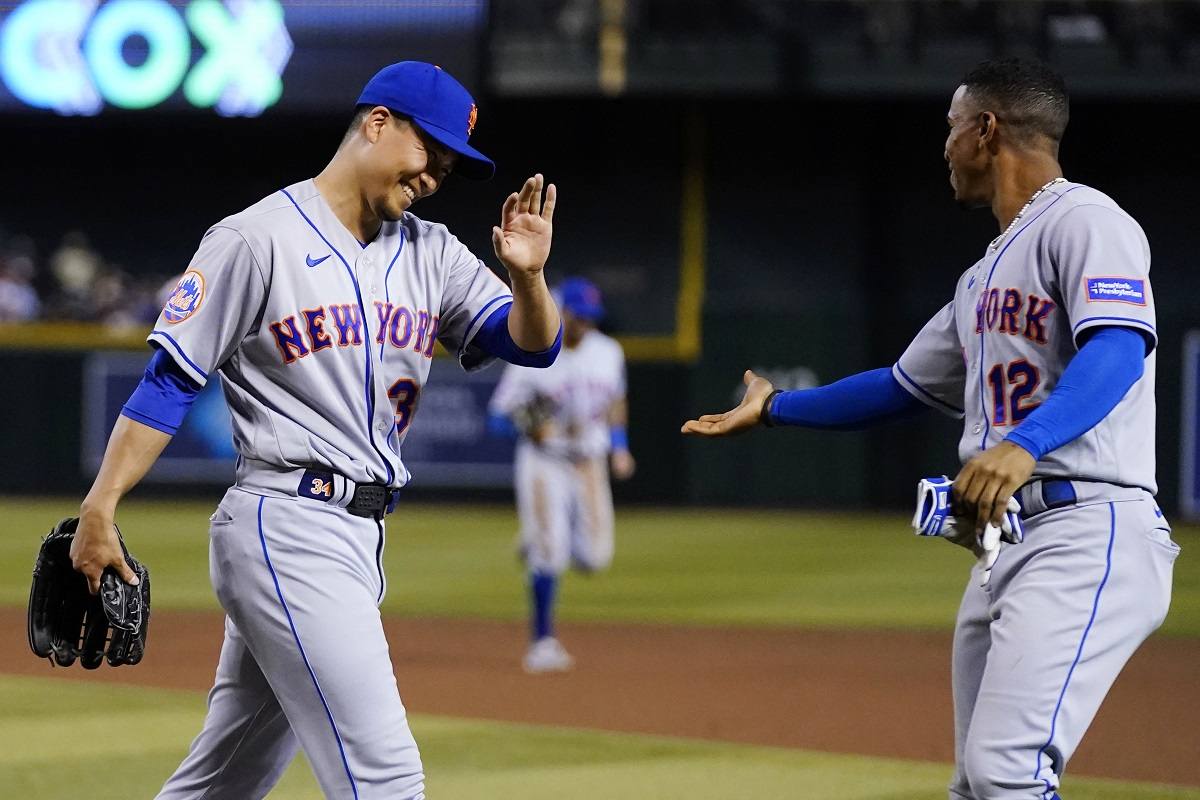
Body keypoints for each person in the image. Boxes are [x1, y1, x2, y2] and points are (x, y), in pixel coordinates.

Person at [682, 58, 1177, 799]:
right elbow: (899, 386)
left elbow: (1119, 348)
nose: (944, 146)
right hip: (1007, 543)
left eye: (950, 129)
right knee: (976, 785)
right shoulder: (981, 277)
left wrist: (1024, 443)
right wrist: (777, 406)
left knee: (1007, 769)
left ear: (986, 131)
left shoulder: (1086, 220)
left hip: (1089, 526)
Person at [68, 61, 562, 800]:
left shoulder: (432, 252)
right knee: (386, 777)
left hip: (356, 536)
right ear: (376, 124)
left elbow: (532, 345)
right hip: (286, 522)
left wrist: (529, 277)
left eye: (450, 167)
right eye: (430, 152)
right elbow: (169, 383)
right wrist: (99, 507)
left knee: (224, 781)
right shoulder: (254, 239)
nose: (436, 176)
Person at [488, 276, 634, 672]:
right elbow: (498, 416)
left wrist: (620, 447)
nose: (586, 324)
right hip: (545, 460)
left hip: (588, 460)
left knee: (595, 557)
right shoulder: (534, 352)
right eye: (579, 316)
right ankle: (542, 643)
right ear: (562, 310)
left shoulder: (608, 351)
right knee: (550, 553)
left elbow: (616, 402)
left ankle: (537, 534)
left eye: (591, 318)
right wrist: (533, 425)